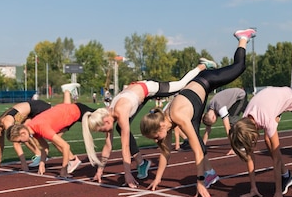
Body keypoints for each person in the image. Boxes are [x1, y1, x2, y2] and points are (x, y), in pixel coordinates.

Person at [140, 28, 256, 197]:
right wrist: (157, 179)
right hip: (194, 106)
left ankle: (243, 38)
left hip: (207, 80)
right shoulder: (165, 120)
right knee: (198, 140)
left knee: (239, 67)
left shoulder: (177, 116)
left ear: (161, 125)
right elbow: (165, 152)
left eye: (156, 136)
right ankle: (210, 173)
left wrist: (200, 182)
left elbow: (198, 153)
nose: (158, 140)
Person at [82, 58, 216, 189]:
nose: (104, 132)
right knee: (119, 128)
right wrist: (100, 170)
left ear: (105, 121)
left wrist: (127, 175)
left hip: (149, 88)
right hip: (138, 92)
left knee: (181, 84)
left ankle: (202, 66)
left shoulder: (120, 111)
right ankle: (142, 163)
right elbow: (108, 145)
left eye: (102, 130)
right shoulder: (109, 114)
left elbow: (125, 147)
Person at [229, 86, 292, 197]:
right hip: (271, 100)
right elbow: (249, 156)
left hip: (288, 98)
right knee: (267, 140)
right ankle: (287, 175)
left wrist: (278, 193)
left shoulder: (267, 120)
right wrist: (253, 188)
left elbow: (276, 158)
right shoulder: (244, 121)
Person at [7, 91, 96, 177]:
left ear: (22, 133)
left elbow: (66, 146)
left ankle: (72, 161)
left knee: (104, 117)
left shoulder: (41, 128)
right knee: (55, 140)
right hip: (67, 113)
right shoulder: (32, 129)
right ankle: (73, 160)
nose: (21, 143)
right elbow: (45, 147)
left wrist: (63, 170)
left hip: (77, 111)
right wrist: (42, 163)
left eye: (19, 141)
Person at [0, 98, 55, 171]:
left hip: (37, 108)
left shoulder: (6, 123)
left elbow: (16, 143)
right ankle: (40, 155)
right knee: (27, 135)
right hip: (31, 113)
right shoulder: (0, 126)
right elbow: (0, 144)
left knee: (54, 135)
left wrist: (24, 164)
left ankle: (41, 155)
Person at [202, 87, 248, 155]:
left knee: (232, 121)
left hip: (240, 96)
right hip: (233, 99)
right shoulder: (209, 108)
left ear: (214, 117)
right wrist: (202, 146)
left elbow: (228, 129)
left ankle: (240, 144)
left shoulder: (220, 108)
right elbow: (207, 129)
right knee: (249, 113)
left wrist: (233, 148)